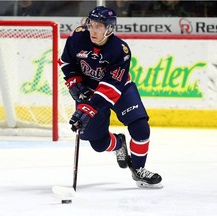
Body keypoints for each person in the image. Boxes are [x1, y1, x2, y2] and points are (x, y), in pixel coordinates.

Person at [58, 6, 162, 188]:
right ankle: (118, 143)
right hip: (88, 92)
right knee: (98, 143)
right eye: (91, 24)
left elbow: (111, 87)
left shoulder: (120, 50)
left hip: (119, 89)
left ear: (110, 28)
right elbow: (67, 62)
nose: (93, 30)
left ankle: (138, 170)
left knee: (141, 128)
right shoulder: (78, 36)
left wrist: (89, 108)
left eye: (99, 26)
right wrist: (73, 81)